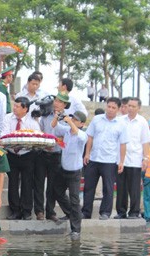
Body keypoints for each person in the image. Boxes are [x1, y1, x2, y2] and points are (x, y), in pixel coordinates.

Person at [81, 97, 128, 220]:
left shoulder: (121, 125)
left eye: (113, 108)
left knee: (108, 188)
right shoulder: (97, 119)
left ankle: (105, 212)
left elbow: (123, 144)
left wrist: (121, 161)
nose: (110, 110)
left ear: (118, 110)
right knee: (88, 187)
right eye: (109, 106)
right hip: (94, 158)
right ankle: (86, 212)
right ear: (106, 106)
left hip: (110, 161)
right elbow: (90, 137)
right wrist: (87, 154)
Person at [0, 97, 41, 221]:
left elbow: (36, 137)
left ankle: (27, 211)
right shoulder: (8, 118)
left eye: (17, 106)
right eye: (14, 105)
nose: (14, 108)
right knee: (13, 182)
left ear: (25, 109)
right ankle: (15, 210)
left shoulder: (32, 122)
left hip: (27, 155)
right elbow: (3, 135)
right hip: (11, 154)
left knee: (27, 183)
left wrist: (21, 141)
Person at [52, 111, 88, 241]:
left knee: (75, 200)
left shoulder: (82, 135)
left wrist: (70, 122)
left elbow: (77, 133)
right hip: (63, 169)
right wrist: (57, 116)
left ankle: (76, 229)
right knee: (57, 192)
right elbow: (54, 126)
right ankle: (70, 214)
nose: (73, 120)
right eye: (73, 118)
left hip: (75, 171)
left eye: (76, 120)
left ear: (82, 123)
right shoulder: (67, 130)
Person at [38, 91, 73, 222]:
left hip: (57, 154)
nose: (57, 104)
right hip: (43, 152)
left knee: (52, 185)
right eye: (56, 100)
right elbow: (41, 131)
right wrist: (44, 142)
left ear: (64, 105)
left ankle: (50, 212)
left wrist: (56, 140)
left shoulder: (66, 119)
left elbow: (67, 136)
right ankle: (39, 211)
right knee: (39, 183)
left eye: (60, 102)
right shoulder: (45, 116)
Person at [115, 97, 150, 219]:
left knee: (134, 187)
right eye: (128, 106)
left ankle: (134, 212)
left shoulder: (142, 122)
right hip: (121, 159)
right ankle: (121, 212)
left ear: (139, 108)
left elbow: (145, 142)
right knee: (121, 187)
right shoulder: (120, 120)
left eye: (133, 106)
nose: (130, 108)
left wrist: (146, 158)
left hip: (135, 159)